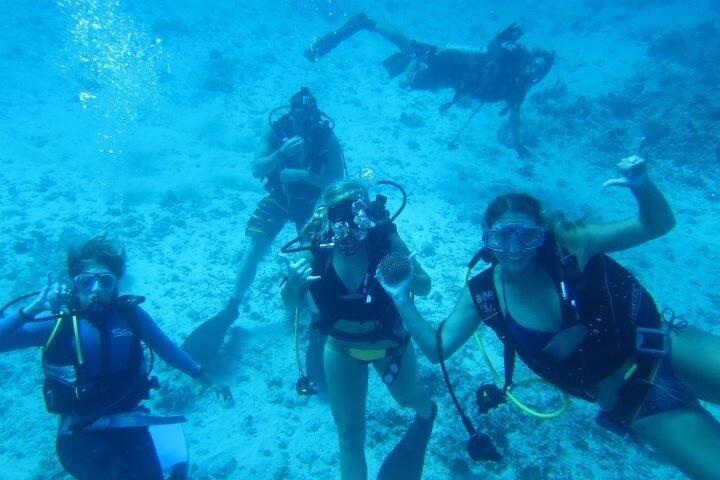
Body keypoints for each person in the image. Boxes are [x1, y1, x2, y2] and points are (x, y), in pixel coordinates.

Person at [380, 156, 720, 479]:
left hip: (670, 345)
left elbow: (657, 223)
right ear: (487, 240)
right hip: (637, 400)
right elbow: (438, 348)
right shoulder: (482, 294)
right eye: (500, 237)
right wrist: (401, 299)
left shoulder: (572, 244)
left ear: (543, 233)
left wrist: (642, 185)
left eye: (526, 236)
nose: (513, 250)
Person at [0, 236, 231, 480]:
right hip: (78, 433)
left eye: (105, 281)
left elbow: (168, 350)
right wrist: (31, 310)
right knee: (111, 471)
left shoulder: (132, 317)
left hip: (128, 420)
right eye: (87, 282)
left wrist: (209, 381)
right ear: (74, 284)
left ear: (116, 284)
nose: (96, 290)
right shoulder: (58, 323)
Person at [280, 180, 436, 480]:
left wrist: (411, 276)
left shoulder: (384, 242)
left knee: (406, 398)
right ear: (328, 217)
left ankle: (427, 411)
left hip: (389, 341)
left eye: (355, 214)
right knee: (349, 435)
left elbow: (425, 286)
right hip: (340, 347)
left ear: (366, 214)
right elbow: (289, 302)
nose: (348, 225)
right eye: (339, 216)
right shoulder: (317, 251)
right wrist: (294, 283)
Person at [182, 87, 346, 365]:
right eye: (299, 117)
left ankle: (317, 313)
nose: (304, 123)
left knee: (316, 259)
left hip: (311, 204)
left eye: (309, 118)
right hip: (279, 199)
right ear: (290, 115)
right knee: (253, 251)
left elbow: (336, 181)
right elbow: (257, 169)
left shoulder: (326, 138)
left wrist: (304, 174)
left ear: (317, 118)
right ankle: (232, 307)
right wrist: (281, 153)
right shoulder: (276, 131)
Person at [305, 15, 554, 157]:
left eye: (540, 71)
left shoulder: (519, 88)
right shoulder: (512, 61)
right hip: (457, 60)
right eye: (535, 66)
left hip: (454, 80)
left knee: (406, 81)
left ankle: (413, 55)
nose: (534, 72)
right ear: (529, 62)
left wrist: (517, 142)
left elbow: (515, 116)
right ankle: (367, 23)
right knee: (411, 48)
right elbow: (491, 50)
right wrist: (501, 37)